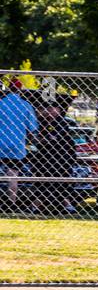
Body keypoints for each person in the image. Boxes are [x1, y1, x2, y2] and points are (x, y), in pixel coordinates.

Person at [29, 98, 79, 214]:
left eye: (52, 108)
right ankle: (36, 205)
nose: (48, 111)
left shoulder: (61, 123)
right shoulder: (40, 122)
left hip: (61, 158)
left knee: (62, 182)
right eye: (45, 108)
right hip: (44, 159)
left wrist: (40, 139)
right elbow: (38, 139)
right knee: (42, 182)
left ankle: (66, 204)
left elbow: (53, 139)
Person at [0, 79, 39, 210]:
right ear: (20, 90)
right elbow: (32, 128)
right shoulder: (25, 105)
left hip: (0, 142)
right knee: (13, 175)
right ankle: (11, 203)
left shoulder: (1, 104)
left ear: (8, 89)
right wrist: (35, 141)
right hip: (17, 145)